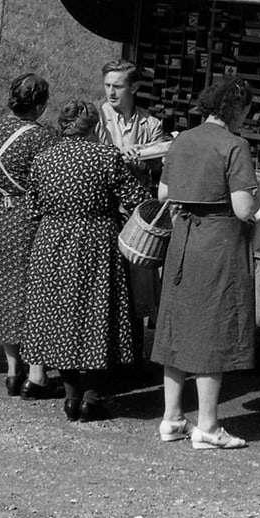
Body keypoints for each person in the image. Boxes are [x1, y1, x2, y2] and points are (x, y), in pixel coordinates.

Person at [19, 101, 148, 420]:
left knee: (58, 315)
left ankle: (71, 395)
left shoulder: (42, 159)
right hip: (95, 242)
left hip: (51, 242)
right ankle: (92, 396)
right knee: (96, 313)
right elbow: (137, 201)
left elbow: (32, 209)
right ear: (96, 128)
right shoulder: (106, 156)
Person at [152, 76, 259, 450]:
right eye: (246, 110)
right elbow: (243, 208)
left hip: (183, 238)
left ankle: (172, 419)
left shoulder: (182, 139)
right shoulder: (235, 145)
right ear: (236, 108)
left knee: (176, 327)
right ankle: (209, 427)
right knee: (212, 329)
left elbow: (165, 192)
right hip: (217, 241)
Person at [0, 72, 58, 398]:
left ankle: (11, 369)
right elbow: (52, 181)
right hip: (28, 219)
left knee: (4, 287)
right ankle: (38, 370)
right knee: (33, 290)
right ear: (40, 105)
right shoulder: (42, 138)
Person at [98, 59, 171, 324]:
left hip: (135, 216)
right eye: (107, 85)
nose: (110, 92)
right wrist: (119, 156)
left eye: (117, 86)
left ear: (134, 87)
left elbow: (160, 170)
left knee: (136, 288)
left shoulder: (151, 124)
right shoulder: (96, 117)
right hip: (104, 212)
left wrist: (147, 160)